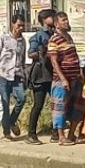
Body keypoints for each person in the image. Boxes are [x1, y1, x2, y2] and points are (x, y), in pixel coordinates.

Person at [0, 14, 27, 142]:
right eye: (18, 25)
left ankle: (11, 121)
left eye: (22, 26)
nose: (20, 28)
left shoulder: (22, 41)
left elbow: (22, 60)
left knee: (21, 98)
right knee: (4, 103)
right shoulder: (3, 38)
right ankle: (6, 131)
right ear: (12, 24)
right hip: (2, 75)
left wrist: (24, 75)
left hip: (16, 75)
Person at [48, 11, 83, 146]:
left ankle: (71, 134)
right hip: (61, 80)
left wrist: (79, 73)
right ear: (57, 23)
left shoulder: (68, 37)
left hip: (75, 78)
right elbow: (54, 61)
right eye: (63, 20)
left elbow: (74, 57)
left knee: (77, 106)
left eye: (67, 20)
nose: (66, 22)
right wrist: (63, 79)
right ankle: (61, 136)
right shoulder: (54, 40)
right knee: (59, 107)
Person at [26, 8, 56, 144]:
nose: (54, 19)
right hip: (40, 74)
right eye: (52, 17)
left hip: (52, 73)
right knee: (38, 105)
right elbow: (30, 53)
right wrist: (43, 52)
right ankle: (31, 134)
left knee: (57, 103)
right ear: (45, 20)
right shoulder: (39, 36)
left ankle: (56, 132)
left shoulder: (55, 34)